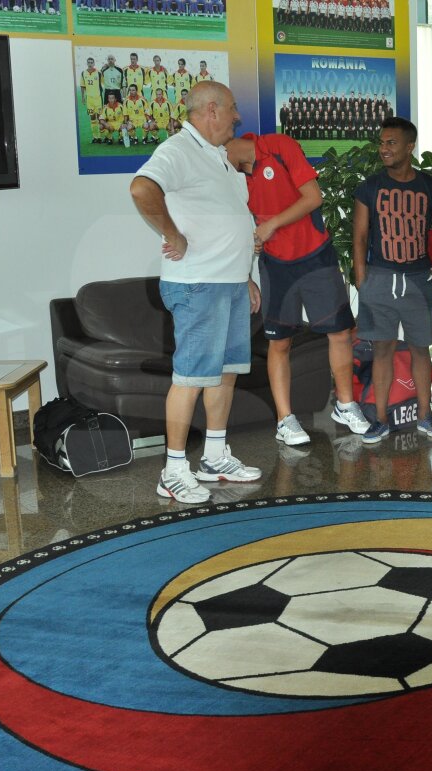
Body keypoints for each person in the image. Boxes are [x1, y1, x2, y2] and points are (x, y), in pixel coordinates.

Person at [130, 81, 263, 504]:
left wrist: (244, 273)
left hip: (229, 282)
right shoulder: (178, 150)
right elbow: (141, 188)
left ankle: (215, 456)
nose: (238, 117)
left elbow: (227, 219)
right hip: (197, 284)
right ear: (211, 110)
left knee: (224, 373)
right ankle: (172, 470)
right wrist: (172, 233)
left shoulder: (219, 158)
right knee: (190, 378)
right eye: (233, 109)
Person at [222, 131, 369, 449]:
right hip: (275, 266)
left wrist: (272, 224)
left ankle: (345, 405)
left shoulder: (278, 146)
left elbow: (313, 197)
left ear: (226, 146)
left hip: (316, 255)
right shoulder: (231, 177)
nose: (219, 166)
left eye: (219, 158)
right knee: (280, 343)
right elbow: (237, 227)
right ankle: (285, 420)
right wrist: (246, 273)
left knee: (341, 332)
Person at [352, 117, 432, 442]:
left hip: (418, 279)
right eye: (382, 143)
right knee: (382, 349)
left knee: (420, 349)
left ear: (409, 146)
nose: (384, 149)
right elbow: (359, 235)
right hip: (380, 278)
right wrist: (361, 278)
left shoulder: (429, 185)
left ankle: (426, 418)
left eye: (391, 143)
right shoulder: (370, 186)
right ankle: (380, 420)